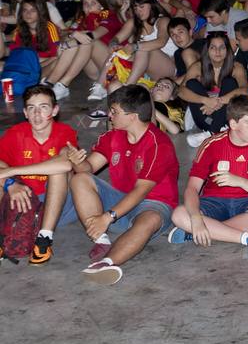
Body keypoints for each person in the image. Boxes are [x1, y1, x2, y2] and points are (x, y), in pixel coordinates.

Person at [68, 85, 181, 285]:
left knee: (150, 219)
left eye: (115, 112)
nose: (110, 116)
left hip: (153, 203)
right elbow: (89, 168)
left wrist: (107, 216)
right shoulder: (113, 137)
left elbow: (141, 190)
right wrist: (77, 161)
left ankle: (106, 263)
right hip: (121, 199)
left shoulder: (158, 145)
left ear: (133, 116)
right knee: (79, 179)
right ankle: (101, 239)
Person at [169, 96, 248, 251]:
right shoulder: (211, 144)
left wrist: (239, 181)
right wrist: (195, 217)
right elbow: (192, 188)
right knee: (179, 214)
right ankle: (246, 238)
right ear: (233, 124)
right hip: (215, 202)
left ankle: (199, 232)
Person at [0, 85, 80, 266]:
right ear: (25, 113)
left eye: (43, 107)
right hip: (23, 201)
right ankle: (2, 235)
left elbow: (66, 163)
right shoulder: (16, 134)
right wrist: (11, 184)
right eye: (31, 108)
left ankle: (44, 239)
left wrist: (13, 171)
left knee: (58, 171)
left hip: (59, 204)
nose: (37, 114)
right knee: (2, 179)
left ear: (55, 110)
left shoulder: (64, 132)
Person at [178, 33, 248, 148]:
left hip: (226, 119)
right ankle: (216, 132)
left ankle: (212, 133)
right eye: (213, 47)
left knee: (229, 82)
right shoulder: (198, 67)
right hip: (205, 118)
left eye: (222, 47)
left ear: (227, 50)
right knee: (191, 84)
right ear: (207, 50)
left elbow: (245, 90)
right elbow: (180, 91)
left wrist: (218, 101)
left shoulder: (236, 67)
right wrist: (205, 100)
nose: (218, 51)